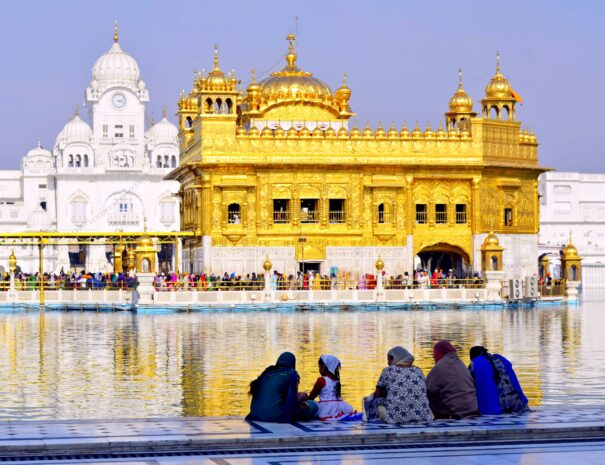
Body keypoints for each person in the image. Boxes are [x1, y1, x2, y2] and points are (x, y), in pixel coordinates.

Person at [364, 346, 432, 424]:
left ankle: (370, 422)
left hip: (396, 419)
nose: (388, 363)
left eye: (389, 360)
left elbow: (377, 394)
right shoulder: (418, 370)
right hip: (423, 417)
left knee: (373, 401)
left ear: (396, 358)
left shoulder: (388, 371)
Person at [246, 352, 318, 423]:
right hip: (274, 416)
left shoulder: (267, 373)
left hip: (255, 415)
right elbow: (293, 399)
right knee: (313, 405)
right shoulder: (292, 373)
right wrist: (302, 398)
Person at [426, 340, 479, 419]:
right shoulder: (460, 363)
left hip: (455, 413)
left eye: (434, 353)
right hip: (472, 409)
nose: (433, 356)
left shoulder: (440, 366)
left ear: (439, 352)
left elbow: (426, 389)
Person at [469, 346, 529, 415]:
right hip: (518, 404)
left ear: (472, 357)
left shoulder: (475, 364)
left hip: (498, 407)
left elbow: (468, 385)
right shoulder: (500, 359)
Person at [306, 354, 354, 420]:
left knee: (309, 405)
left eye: (319, 367)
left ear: (324, 367)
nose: (319, 370)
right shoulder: (337, 380)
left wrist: (305, 400)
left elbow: (312, 396)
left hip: (325, 408)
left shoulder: (321, 380)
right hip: (340, 406)